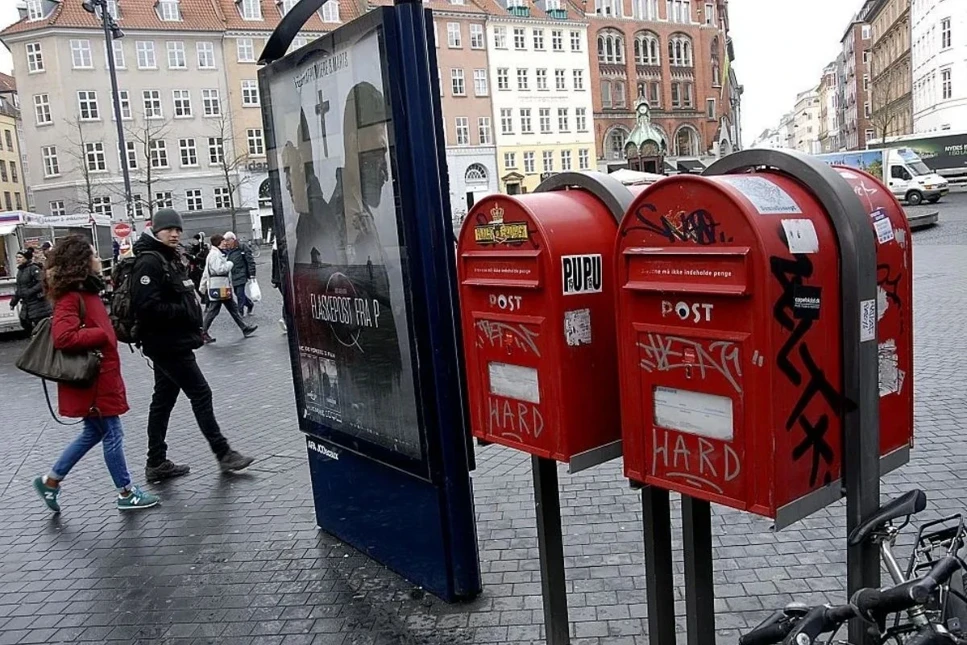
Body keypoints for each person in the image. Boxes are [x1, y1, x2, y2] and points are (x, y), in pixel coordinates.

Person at [31, 235, 160, 512]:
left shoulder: (85, 292)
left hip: (101, 377)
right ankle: (126, 492)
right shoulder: (71, 297)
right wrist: (101, 333)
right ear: (81, 262)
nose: (97, 259)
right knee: (112, 434)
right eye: (92, 254)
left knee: (93, 433)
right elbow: (63, 337)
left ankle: (51, 481)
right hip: (94, 381)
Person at [130, 209, 255, 481]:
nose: (174, 233)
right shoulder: (149, 262)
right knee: (200, 393)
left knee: (162, 401)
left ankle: (156, 462)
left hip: (173, 342)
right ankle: (223, 453)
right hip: (167, 343)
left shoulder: (167, 257)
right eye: (168, 229)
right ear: (155, 230)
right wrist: (183, 311)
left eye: (177, 229)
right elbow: (146, 306)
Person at [201, 234, 257, 341]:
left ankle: (244, 328)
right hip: (219, 287)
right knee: (214, 310)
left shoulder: (216, 253)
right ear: (218, 243)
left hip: (222, 287)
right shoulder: (214, 255)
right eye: (223, 242)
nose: (225, 244)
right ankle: (203, 332)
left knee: (232, 308)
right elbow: (219, 269)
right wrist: (230, 264)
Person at [10, 248, 52, 334]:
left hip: (37, 303)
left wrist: (29, 292)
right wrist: (13, 302)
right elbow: (20, 288)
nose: (18, 259)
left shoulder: (34, 268)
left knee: (40, 324)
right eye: (17, 257)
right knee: (25, 322)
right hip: (27, 303)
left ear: (26, 258)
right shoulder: (20, 271)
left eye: (20, 257)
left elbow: (41, 283)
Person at [224, 232, 256, 316]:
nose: (226, 242)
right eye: (225, 240)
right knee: (237, 293)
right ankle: (249, 304)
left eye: (227, 240)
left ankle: (240, 312)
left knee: (239, 294)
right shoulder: (226, 250)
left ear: (233, 240)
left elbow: (250, 260)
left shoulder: (242, 247)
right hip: (232, 275)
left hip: (242, 273)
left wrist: (252, 273)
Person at [270, 238, 286, 334]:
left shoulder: (275, 250)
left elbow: (274, 265)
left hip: (278, 278)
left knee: (286, 299)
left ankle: (286, 319)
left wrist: (274, 279)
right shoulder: (284, 249)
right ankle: (285, 319)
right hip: (284, 277)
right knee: (288, 299)